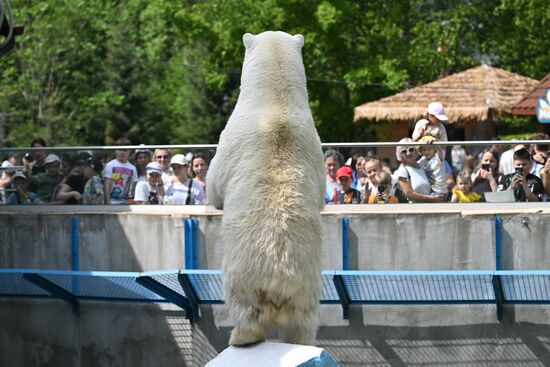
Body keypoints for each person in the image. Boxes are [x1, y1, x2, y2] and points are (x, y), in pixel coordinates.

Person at [393, 138, 445, 203]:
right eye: (404, 151)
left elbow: (439, 159)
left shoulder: (422, 164)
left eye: (411, 149)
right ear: (400, 155)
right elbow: (409, 194)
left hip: (431, 204)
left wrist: (432, 143)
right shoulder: (402, 170)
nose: (408, 153)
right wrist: (431, 198)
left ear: (415, 151)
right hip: (415, 208)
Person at [104, 138, 138, 205]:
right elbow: (106, 185)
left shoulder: (133, 168)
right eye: (119, 149)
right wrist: (107, 204)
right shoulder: (110, 165)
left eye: (125, 150)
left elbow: (134, 187)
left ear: (129, 151)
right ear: (115, 151)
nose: (122, 152)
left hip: (127, 203)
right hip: (112, 202)